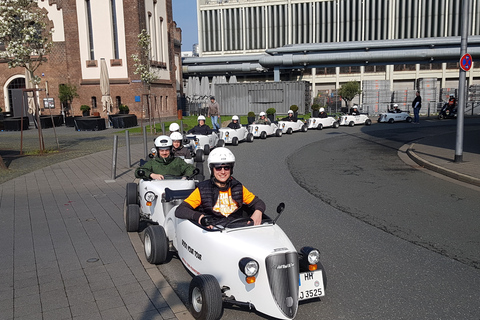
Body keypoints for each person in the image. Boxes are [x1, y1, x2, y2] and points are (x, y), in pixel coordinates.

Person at [175, 147, 266, 227]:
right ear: (212, 169)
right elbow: (180, 210)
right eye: (218, 168)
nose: (223, 172)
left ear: (231, 169)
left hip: (237, 230)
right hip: (214, 232)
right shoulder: (202, 189)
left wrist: (258, 211)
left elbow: (258, 202)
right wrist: (200, 217)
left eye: (226, 167)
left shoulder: (237, 186)